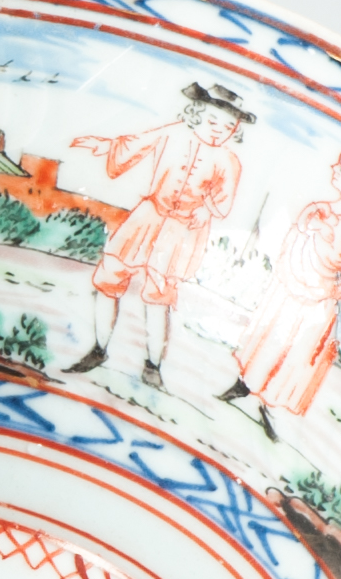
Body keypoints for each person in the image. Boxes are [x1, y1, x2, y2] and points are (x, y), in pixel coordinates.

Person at [66, 81, 255, 390]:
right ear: (197, 113)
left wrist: (206, 209)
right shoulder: (173, 134)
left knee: (159, 294)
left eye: (227, 127)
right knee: (111, 275)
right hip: (148, 216)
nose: (218, 131)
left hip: (182, 230)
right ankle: (98, 348)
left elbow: (223, 201)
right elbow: (135, 144)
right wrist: (105, 146)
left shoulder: (228, 161)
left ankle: (152, 365)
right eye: (212, 121)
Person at [221, 148, 341, 438]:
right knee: (269, 336)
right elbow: (298, 229)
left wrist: (336, 288)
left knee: (296, 354)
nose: (334, 168)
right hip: (293, 283)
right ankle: (244, 385)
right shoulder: (323, 206)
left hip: (320, 300)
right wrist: (312, 228)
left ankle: (269, 409)